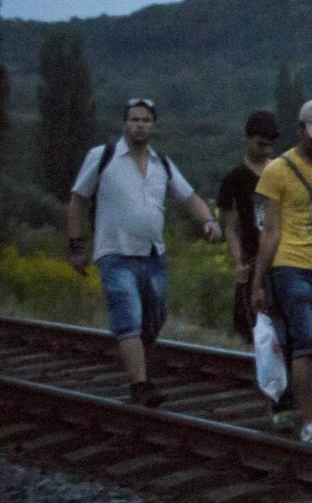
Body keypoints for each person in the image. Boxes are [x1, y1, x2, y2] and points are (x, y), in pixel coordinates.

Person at [66, 97, 223, 405]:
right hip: (114, 252)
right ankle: (141, 385)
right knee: (128, 315)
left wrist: (208, 221)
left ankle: (139, 369)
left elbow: (188, 196)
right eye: (134, 119)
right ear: (125, 123)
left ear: (153, 125)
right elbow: (77, 200)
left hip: (152, 255)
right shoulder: (104, 156)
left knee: (153, 319)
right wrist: (76, 245)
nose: (140, 125)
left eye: (146, 120)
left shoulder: (160, 163)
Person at [252, 98, 312, 447]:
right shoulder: (277, 170)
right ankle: (310, 421)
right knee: (306, 343)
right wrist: (259, 282)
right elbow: (270, 230)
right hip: (290, 265)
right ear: (301, 129)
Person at [218, 109, 297, 429]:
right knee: (265, 335)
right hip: (254, 261)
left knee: (288, 330)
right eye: (260, 144)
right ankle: (278, 400)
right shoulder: (236, 179)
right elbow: (231, 227)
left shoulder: (281, 171)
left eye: (269, 145)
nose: (265, 151)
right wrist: (238, 262)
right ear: (248, 140)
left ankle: (286, 395)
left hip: (286, 257)